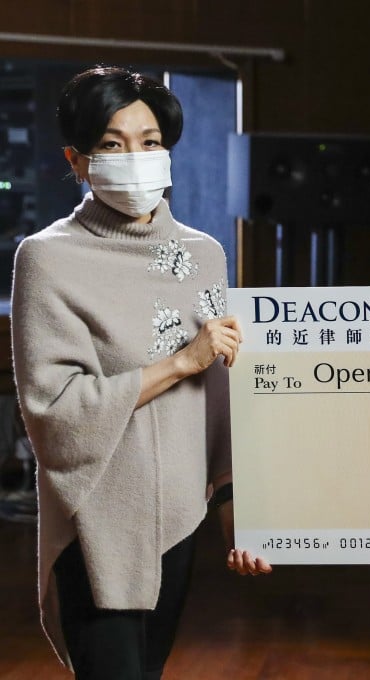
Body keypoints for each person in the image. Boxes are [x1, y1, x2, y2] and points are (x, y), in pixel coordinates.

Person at [11, 65, 271, 679]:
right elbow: (54, 411)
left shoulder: (205, 255)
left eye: (150, 142)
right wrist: (182, 360)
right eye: (111, 144)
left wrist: (241, 506)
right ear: (77, 161)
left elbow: (222, 397)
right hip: (97, 517)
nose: (136, 158)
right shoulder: (48, 259)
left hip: (181, 514)